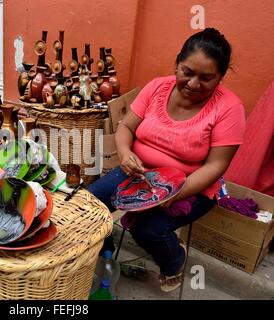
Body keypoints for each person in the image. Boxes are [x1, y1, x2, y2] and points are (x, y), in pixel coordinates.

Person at [88, 28, 246, 292]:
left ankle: (175, 260)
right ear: (177, 64)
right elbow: (126, 128)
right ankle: (105, 256)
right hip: (139, 174)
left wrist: (174, 192)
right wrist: (126, 154)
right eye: (187, 72)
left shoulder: (229, 109)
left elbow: (216, 165)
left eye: (207, 78)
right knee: (90, 204)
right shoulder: (157, 88)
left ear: (220, 77)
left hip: (191, 186)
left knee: (148, 231)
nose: (194, 84)